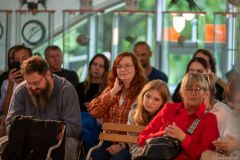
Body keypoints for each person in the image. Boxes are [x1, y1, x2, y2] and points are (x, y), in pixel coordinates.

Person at [6, 56, 81, 160]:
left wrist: (34, 129)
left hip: (57, 140)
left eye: (36, 83)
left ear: (48, 74)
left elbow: (75, 128)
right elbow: (10, 125)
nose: (33, 87)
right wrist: (49, 129)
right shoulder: (21, 90)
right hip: (28, 140)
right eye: (29, 84)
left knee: (70, 144)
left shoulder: (66, 90)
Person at [137, 72, 219, 160]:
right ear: (182, 91)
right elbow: (142, 137)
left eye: (198, 89)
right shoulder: (169, 108)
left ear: (205, 93)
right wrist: (163, 133)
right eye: (189, 88)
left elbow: (206, 155)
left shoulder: (209, 118)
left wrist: (183, 138)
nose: (193, 93)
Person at [87, 52, 147, 160]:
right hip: (108, 140)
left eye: (127, 65)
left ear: (136, 68)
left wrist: (121, 145)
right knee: (93, 157)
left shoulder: (143, 92)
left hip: (132, 143)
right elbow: (93, 111)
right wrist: (114, 91)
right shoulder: (112, 89)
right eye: (119, 66)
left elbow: (145, 125)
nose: (123, 69)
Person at [127, 80, 171, 159]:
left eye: (156, 99)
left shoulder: (169, 116)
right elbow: (133, 146)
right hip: (139, 156)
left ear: (163, 103)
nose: (150, 102)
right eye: (148, 96)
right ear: (143, 95)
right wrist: (145, 151)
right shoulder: (133, 114)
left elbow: (166, 148)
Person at [201, 73, 240, 159]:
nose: (234, 107)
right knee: (205, 155)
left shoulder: (222, 111)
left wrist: (237, 145)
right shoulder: (232, 114)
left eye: (238, 101)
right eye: (230, 101)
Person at [75, 54, 109, 152]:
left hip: (99, 123)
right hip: (81, 121)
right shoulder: (79, 87)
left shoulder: (108, 89)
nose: (97, 68)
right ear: (90, 66)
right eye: (95, 64)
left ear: (105, 70)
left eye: (101, 66)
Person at [0, 45, 32, 117]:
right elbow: (5, 113)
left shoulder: (41, 78)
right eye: (17, 60)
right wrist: (10, 85)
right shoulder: (6, 83)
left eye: (24, 58)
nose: (21, 62)